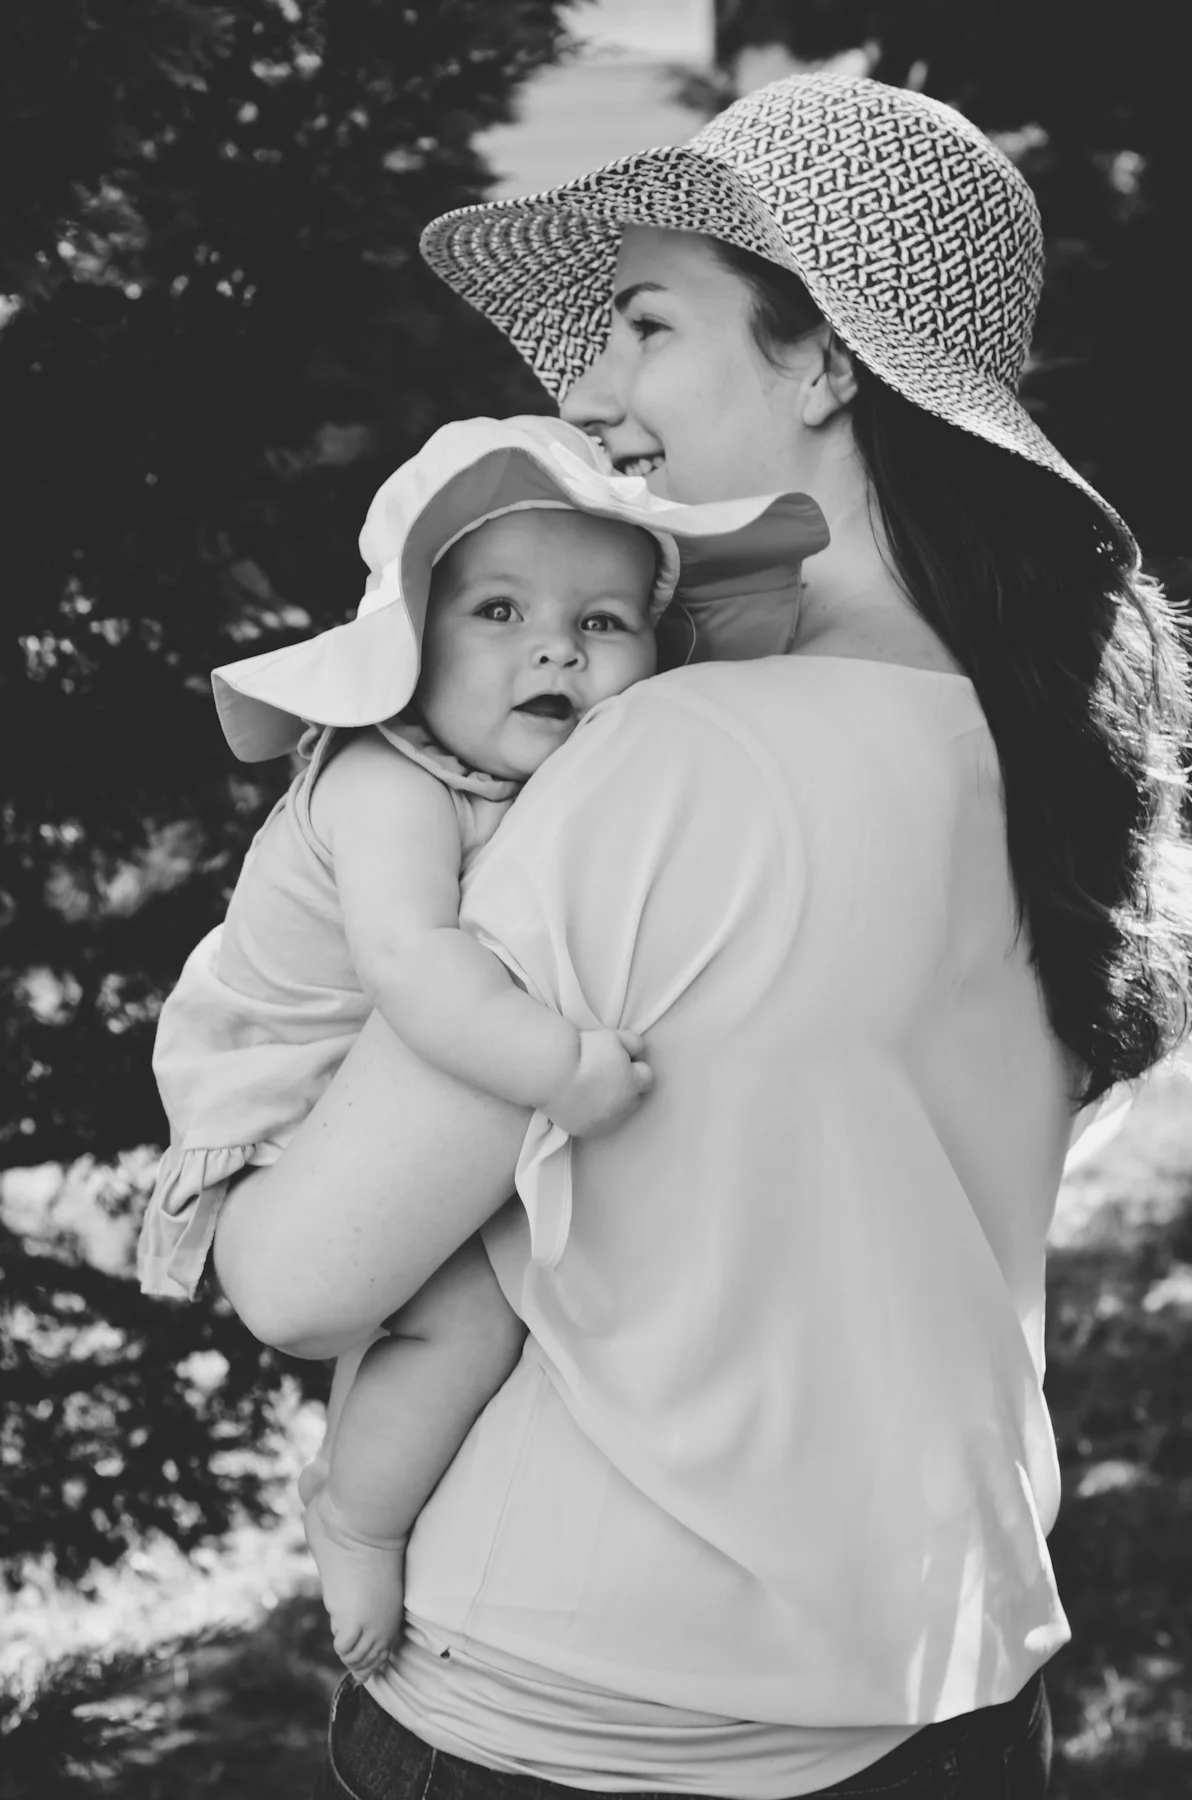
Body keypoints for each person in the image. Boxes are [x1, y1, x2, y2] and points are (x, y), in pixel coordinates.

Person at [209, 73, 1192, 1800]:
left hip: (576, 1717)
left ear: (824, 362)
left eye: (645, 322)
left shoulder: (673, 753)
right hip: (940, 1697)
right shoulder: (1054, 769)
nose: (589, 392)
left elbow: (298, 1280)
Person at [138, 413, 827, 1678]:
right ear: (406, 651)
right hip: (278, 1111)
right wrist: (563, 1070)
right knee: (462, 1326)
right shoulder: (383, 780)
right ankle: (353, 1510)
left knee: (473, 1300)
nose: (556, 643)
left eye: (602, 623)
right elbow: (416, 968)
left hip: (369, 1107)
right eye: (498, 613)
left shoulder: (539, 785)